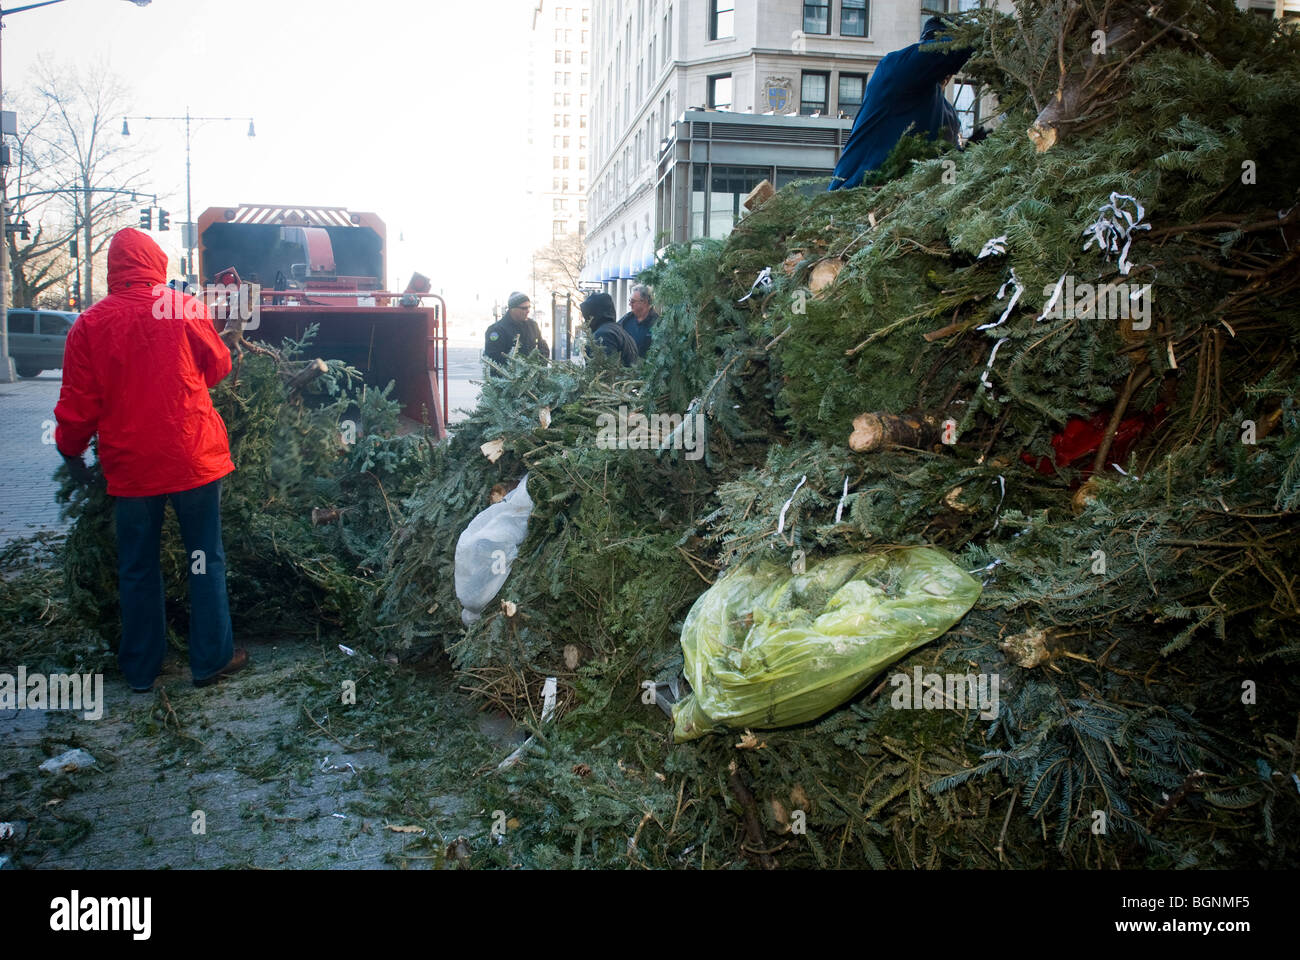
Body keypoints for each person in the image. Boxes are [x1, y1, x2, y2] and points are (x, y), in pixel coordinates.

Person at [54, 228, 247, 691]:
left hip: (133, 468)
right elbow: (219, 365)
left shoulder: (90, 324)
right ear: (156, 264)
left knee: (137, 568)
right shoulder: (182, 309)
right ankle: (210, 661)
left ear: (114, 269)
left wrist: (71, 451)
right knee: (204, 557)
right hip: (192, 458)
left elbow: (78, 403)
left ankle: (141, 669)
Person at [828, 17, 974, 191]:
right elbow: (942, 53)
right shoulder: (896, 71)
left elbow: (946, 176)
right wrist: (980, 38)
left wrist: (969, 154)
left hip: (902, 207)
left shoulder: (949, 116)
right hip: (855, 195)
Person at [484, 292, 549, 367]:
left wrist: (539, 367)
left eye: (529, 307)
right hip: (508, 376)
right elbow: (493, 358)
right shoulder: (497, 330)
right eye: (524, 308)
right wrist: (518, 368)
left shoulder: (533, 325)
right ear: (512, 309)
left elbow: (543, 347)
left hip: (532, 375)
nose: (528, 310)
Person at [580, 292, 639, 367]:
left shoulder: (604, 335)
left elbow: (606, 371)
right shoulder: (618, 330)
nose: (586, 321)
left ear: (594, 314)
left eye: (587, 316)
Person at [619, 284, 658, 358]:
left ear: (644, 302)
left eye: (633, 301)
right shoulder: (626, 319)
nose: (630, 304)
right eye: (630, 300)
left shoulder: (657, 323)